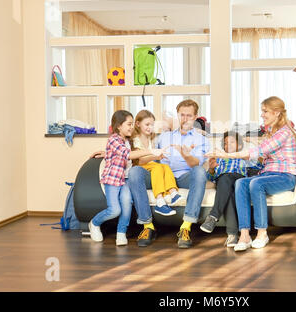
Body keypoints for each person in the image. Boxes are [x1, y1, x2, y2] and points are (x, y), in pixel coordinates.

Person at [206, 96, 296, 251]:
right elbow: (262, 155)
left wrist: (226, 155)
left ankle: (262, 233)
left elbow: (258, 152)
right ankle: (244, 235)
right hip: (267, 174)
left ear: (276, 113)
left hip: (284, 176)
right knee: (240, 182)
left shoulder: (284, 133)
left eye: (265, 111)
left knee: (256, 183)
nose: (262, 115)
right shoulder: (270, 132)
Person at [128, 99, 210, 248]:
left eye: (189, 115)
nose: (185, 119)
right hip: (162, 176)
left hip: (185, 176)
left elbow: (195, 164)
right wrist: (110, 152)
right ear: (178, 115)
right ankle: (148, 227)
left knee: (199, 172)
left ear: (196, 116)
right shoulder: (164, 137)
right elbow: (142, 155)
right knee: (134, 172)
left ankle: (186, 227)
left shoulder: (201, 139)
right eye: (182, 115)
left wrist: (186, 155)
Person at [88, 110, 164, 246]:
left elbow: (130, 157)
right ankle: (94, 223)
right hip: (112, 180)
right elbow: (126, 155)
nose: (131, 127)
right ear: (119, 126)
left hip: (125, 180)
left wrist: (107, 153)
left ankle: (121, 233)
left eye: (132, 124)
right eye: (128, 124)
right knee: (115, 210)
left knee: (127, 204)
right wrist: (152, 151)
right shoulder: (113, 139)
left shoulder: (128, 141)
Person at [200, 131, 262, 248]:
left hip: (239, 181)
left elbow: (259, 165)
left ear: (239, 145)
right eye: (226, 143)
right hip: (223, 182)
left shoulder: (244, 158)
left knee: (228, 184)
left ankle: (214, 217)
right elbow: (211, 178)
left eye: (232, 142)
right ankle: (232, 234)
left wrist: (256, 146)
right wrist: (212, 169)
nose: (228, 145)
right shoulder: (220, 159)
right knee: (226, 186)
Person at [131, 110, 184, 216]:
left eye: (152, 125)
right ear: (137, 124)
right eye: (147, 124)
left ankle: (173, 192)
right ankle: (159, 201)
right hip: (140, 168)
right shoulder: (136, 139)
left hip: (149, 166)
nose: (150, 127)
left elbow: (151, 158)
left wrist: (158, 156)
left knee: (164, 166)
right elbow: (139, 160)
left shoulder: (150, 138)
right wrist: (155, 156)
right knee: (158, 167)